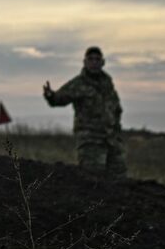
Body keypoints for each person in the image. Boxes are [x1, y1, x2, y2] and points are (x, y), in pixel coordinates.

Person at [43, 46, 127, 177]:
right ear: (85, 62)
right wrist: (50, 96)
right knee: (93, 178)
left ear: (102, 62)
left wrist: (116, 129)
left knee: (119, 177)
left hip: (111, 140)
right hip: (90, 140)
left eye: (97, 59)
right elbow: (59, 98)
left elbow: (116, 108)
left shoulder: (107, 84)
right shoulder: (78, 84)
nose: (94, 62)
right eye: (91, 59)